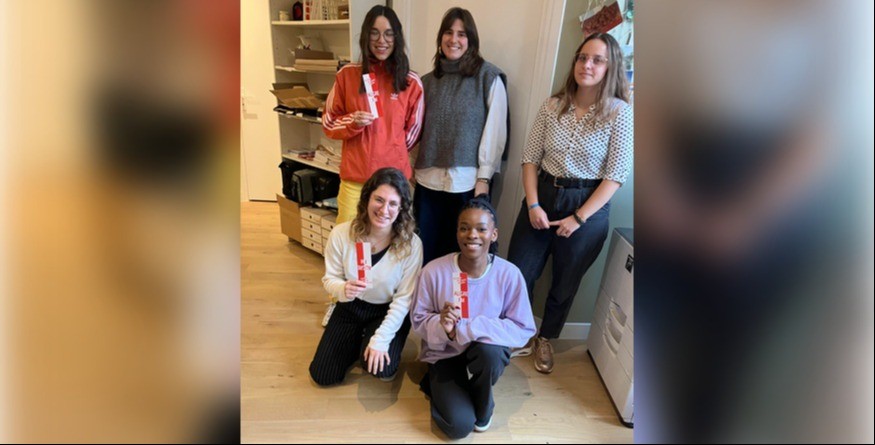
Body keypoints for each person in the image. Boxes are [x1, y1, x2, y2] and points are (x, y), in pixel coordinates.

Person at [506, 32, 633, 374]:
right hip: (543, 195)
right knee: (519, 270)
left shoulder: (619, 113)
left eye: (597, 60)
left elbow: (615, 176)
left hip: (588, 205)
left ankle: (546, 337)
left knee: (565, 281)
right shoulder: (552, 106)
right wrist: (533, 205)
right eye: (582, 57)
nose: (587, 65)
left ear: (610, 67)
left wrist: (578, 218)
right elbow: (530, 159)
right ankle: (518, 332)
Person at [320, 4, 424, 325]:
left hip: (395, 185)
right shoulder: (347, 76)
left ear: (397, 38)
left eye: (389, 34)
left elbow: (412, 133)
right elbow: (328, 122)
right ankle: (340, 300)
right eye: (375, 33)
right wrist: (353, 122)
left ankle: (386, 304)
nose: (382, 41)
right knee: (350, 242)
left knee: (394, 243)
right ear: (365, 36)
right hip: (355, 180)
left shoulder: (411, 82)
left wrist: (389, 149)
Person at [410, 197, 535, 439]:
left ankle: (482, 398)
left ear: (494, 234)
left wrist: (469, 328)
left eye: (481, 229)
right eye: (464, 228)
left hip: (483, 351)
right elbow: (418, 320)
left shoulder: (509, 274)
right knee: (458, 426)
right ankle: (438, 384)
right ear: (457, 233)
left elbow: (523, 328)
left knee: (491, 353)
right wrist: (443, 327)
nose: (472, 235)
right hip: (445, 352)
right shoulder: (433, 272)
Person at [309, 168, 423, 385]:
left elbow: (404, 299)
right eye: (378, 200)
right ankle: (358, 341)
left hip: (387, 309)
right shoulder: (341, 234)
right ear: (367, 199)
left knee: (381, 369)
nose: (384, 209)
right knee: (322, 375)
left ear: (401, 208)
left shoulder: (411, 245)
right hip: (350, 305)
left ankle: (368, 342)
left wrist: (381, 339)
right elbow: (329, 278)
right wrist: (342, 289)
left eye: (393, 204)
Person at [413, 7, 509, 265]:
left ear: (471, 40)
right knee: (424, 253)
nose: (454, 39)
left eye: (461, 34)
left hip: (466, 184)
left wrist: (484, 178)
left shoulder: (488, 77)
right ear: (440, 38)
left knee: (463, 256)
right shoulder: (426, 82)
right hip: (428, 182)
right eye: (448, 32)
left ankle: (458, 295)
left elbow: (495, 131)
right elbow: (416, 128)